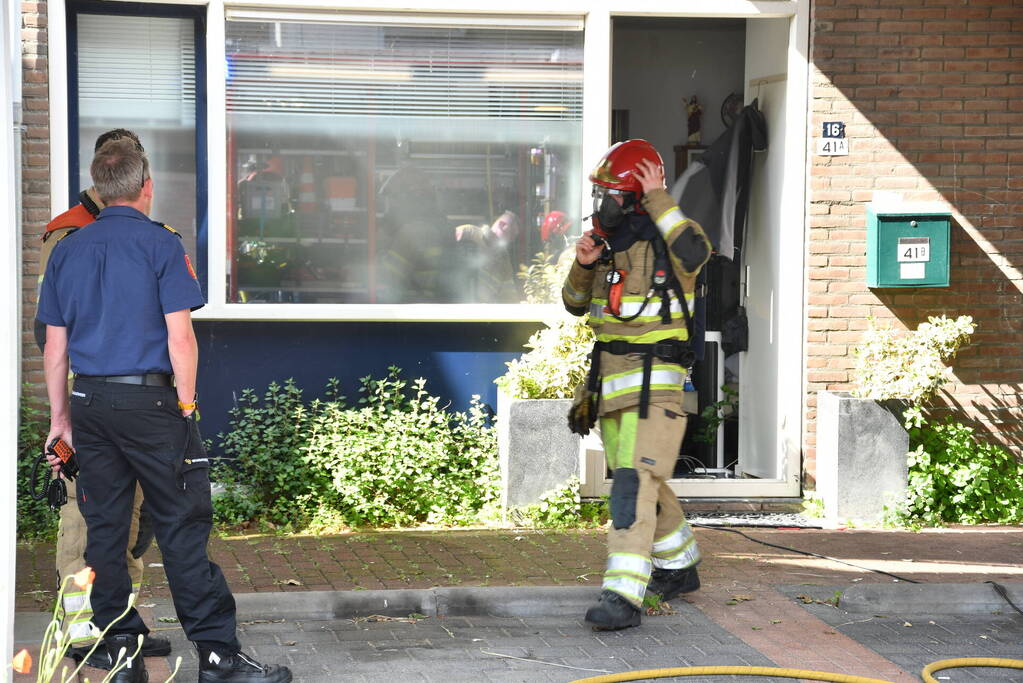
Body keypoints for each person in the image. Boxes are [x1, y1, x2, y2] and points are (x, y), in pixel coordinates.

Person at [37, 138, 292, 683]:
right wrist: (186, 406)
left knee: (104, 532)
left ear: (99, 189)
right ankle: (218, 658)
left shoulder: (67, 250)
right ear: (146, 187)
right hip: (151, 404)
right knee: (181, 527)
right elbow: (181, 339)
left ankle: (121, 656)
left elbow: (54, 350)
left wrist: (61, 422)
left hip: (89, 404)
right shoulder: (160, 244)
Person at [562, 139, 712, 631]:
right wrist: (585, 264)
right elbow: (575, 304)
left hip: (656, 391)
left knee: (632, 484)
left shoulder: (674, 241)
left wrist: (659, 197)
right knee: (645, 480)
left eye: (611, 195)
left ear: (635, 198)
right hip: (611, 389)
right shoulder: (609, 247)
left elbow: (696, 251)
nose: (602, 205)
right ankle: (680, 566)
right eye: (599, 194)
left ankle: (623, 596)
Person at [37, 129, 166, 668]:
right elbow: (51, 330)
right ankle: (81, 630)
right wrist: (64, 411)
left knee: (131, 521)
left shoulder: (149, 233)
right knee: (83, 520)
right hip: (88, 399)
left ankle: (120, 625)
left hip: (138, 401)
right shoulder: (68, 235)